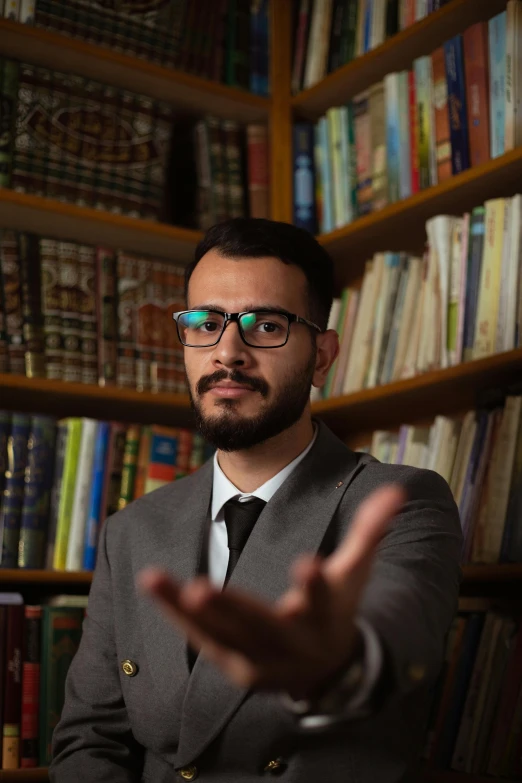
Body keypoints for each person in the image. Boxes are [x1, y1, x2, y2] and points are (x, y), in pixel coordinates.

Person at [50, 218, 462, 783]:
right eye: (205, 323)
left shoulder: (401, 501)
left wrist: (337, 658)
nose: (228, 352)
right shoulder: (132, 530)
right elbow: (89, 739)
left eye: (265, 325)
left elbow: (399, 636)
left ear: (321, 357)